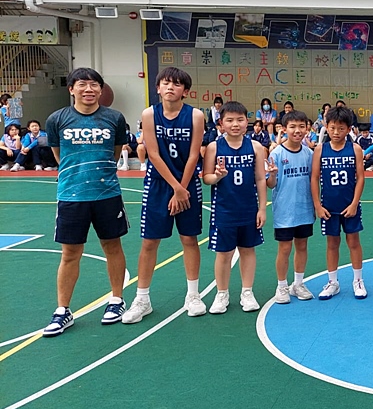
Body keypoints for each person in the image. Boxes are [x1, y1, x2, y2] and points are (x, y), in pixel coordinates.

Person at [41, 68, 131, 336]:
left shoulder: (114, 118)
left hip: (107, 194)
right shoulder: (57, 119)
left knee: (112, 246)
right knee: (70, 253)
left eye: (94, 85)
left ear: (101, 90)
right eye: (82, 84)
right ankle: (63, 310)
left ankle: (117, 300)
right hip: (71, 195)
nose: (88, 89)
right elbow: (59, 156)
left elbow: (115, 153)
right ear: (71, 89)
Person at [121, 67, 207, 324]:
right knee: (149, 242)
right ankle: (142, 299)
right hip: (159, 185)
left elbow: (194, 155)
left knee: (189, 239)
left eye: (177, 84)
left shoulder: (195, 115)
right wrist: (176, 188)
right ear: (158, 88)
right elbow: (153, 154)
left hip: (187, 183)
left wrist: (182, 188)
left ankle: (193, 295)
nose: (171, 87)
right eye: (166, 83)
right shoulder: (149, 114)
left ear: (185, 91)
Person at [202, 100, 268, 314]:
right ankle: (222, 293)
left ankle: (247, 292)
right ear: (221, 123)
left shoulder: (255, 147)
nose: (235, 124)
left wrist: (262, 208)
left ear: (247, 122)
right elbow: (206, 178)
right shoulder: (214, 147)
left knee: (248, 250)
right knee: (224, 253)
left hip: (248, 208)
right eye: (229, 120)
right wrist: (217, 176)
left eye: (240, 120)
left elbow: (260, 178)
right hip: (224, 209)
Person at [311, 107, 366, 299]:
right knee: (332, 243)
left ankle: (358, 280)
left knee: (353, 242)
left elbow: (360, 177)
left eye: (341, 128)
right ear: (326, 127)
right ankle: (332, 282)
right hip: (329, 207)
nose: (336, 132)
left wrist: (354, 203)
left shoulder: (355, 149)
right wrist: (318, 205)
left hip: (349, 205)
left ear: (349, 129)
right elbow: (314, 178)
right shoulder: (320, 150)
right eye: (333, 128)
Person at [267, 110, 317, 304]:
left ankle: (298, 284)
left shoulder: (309, 154)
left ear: (307, 129)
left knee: (302, 245)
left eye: (301, 126)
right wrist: (272, 174)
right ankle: (281, 286)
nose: (297, 130)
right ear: (284, 129)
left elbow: (314, 180)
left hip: (304, 209)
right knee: (285, 248)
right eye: (293, 126)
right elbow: (271, 184)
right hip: (284, 211)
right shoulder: (277, 153)